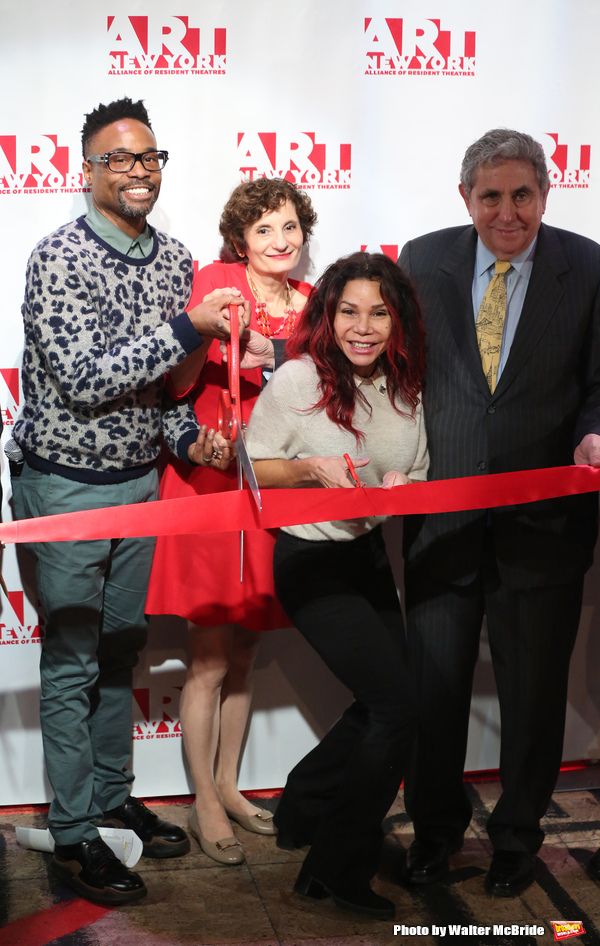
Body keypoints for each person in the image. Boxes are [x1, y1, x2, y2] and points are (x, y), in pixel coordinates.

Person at [9, 97, 243, 906]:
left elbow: (162, 398)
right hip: (65, 488)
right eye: (120, 158)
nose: (138, 170)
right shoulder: (59, 258)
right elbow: (83, 379)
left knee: (120, 651)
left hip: (140, 489)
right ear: (87, 169)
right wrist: (187, 329)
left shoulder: (176, 259)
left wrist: (190, 442)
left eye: (149, 157)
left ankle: (110, 799)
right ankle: (75, 832)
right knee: (73, 661)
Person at [398, 128, 600, 898]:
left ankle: (518, 837)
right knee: (435, 693)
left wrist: (593, 432)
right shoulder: (421, 259)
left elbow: (599, 381)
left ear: (546, 194)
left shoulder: (588, 266)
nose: (508, 212)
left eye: (523, 195)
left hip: (542, 529)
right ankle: (435, 834)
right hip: (442, 522)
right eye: (492, 196)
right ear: (466, 200)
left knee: (534, 696)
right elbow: (392, 369)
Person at [245, 251, 428, 920]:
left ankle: (304, 806)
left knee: (390, 699)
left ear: (396, 319)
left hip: (367, 556)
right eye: (349, 310)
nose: (363, 326)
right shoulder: (298, 379)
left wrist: (409, 488)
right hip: (310, 560)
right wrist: (306, 469)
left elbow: (418, 466)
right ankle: (336, 867)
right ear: (327, 314)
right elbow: (255, 469)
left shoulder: (405, 383)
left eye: (378, 312)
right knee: (395, 706)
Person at [145, 178, 316, 865]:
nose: (280, 242)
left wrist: (276, 356)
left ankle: (229, 785)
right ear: (240, 240)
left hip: (271, 487)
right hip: (207, 480)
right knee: (209, 658)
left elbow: (323, 389)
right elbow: (180, 386)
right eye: (264, 230)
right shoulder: (215, 282)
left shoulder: (312, 305)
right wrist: (211, 331)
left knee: (245, 652)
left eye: (289, 228)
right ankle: (204, 805)